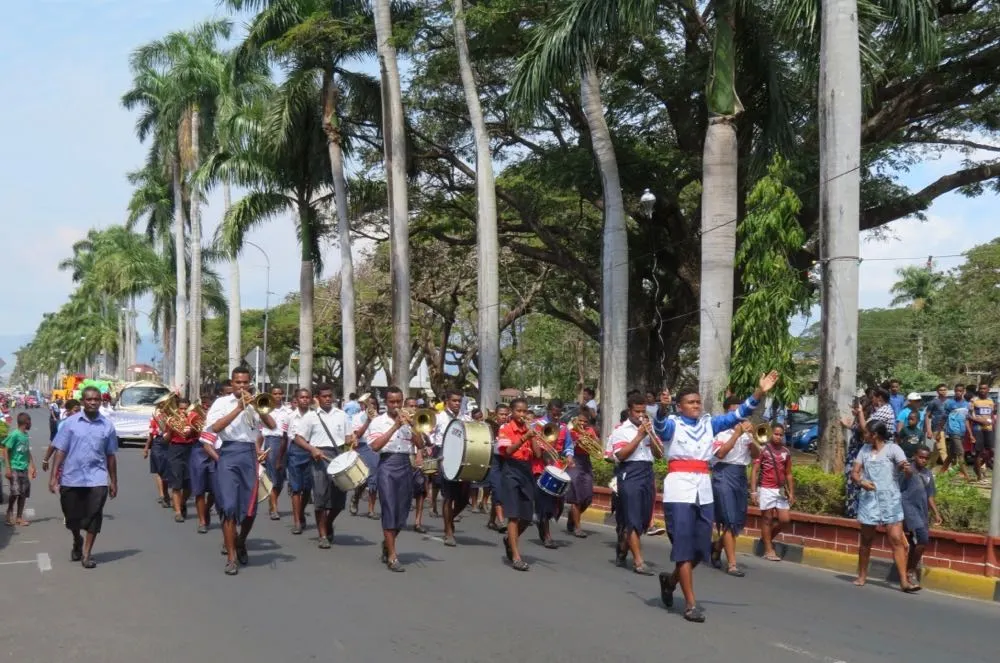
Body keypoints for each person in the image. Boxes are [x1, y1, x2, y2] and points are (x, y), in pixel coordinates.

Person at [656, 371, 779, 623]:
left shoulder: (709, 424)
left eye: (698, 402)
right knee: (683, 548)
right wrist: (661, 408)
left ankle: (669, 582)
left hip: (703, 489)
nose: (696, 406)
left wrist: (759, 392)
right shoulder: (672, 424)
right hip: (679, 489)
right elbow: (659, 425)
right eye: (690, 403)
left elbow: (739, 413)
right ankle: (690, 605)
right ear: (679, 407)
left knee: (700, 550)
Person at [202, 367, 276, 575]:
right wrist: (238, 408)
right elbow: (214, 428)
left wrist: (257, 407)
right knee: (228, 506)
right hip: (228, 454)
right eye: (237, 382)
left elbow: (272, 425)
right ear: (232, 383)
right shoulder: (221, 403)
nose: (241, 386)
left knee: (250, 508)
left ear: (250, 383)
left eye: (245, 383)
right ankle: (231, 557)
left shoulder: (255, 402)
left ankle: (241, 540)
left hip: (249, 455)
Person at [48, 386, 118, 569]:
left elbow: (111, 455)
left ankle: (87, 554)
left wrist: (114, 481)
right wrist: (53, 477)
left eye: (97, 399)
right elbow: (60, 450)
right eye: (89, 399)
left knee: (94, 516)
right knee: (72, 517)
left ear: (101, 401)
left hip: (97, 478)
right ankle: (76, 539)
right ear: (83, 402)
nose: (93, 402)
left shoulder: (107, 425)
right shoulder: (70, 423)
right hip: (72, 477)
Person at [851, 419, 919, 592]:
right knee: (866, 540)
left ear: (875, 435)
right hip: (869, 499)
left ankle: (904, 581)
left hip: (891, 500)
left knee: (896, 539)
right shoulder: (864, 450)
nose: (864, 435)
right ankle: (862, 575)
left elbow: (908, 471)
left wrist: (906, 468)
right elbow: (855, 473)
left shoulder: (893, 449)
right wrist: (861, 482)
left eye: (866, 433)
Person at [368, 386, 422, 572]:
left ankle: (388, 542)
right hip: (387, 466)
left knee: (403, 512)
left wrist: (413, 426)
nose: (396, 405)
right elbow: (375, 446)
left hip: (405, 465)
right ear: (386, 402)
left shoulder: (409, 420)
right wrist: (395, 426)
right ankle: (392, 556)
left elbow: (421, 444)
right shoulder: (377, 422)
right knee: (389, 508)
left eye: (399, 401)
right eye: (392, 402)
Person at [608, 393, 663, 574]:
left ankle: (623, 548)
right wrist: (639, 436)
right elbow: (621, 455)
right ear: (630, 411)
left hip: (647, 472)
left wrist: (651, 435)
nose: (640, 415)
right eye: (637, 412)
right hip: (629, 473)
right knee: (632, 518)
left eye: (643, 412)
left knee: (642, 520)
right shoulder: (621, 431)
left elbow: (659, 454)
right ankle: (639, 562)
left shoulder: (649, 427)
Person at [293, 383, 348, 549]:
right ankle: (322, 534)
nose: (328, 399)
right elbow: (298, 438)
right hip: (319, 458)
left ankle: (329, 522)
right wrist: (312, 449)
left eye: (330, 396)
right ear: (317, 398)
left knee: (339, 500)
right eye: (324, 396)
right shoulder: (311, 416)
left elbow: (349, 435)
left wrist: (353, 440)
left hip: (338, 455)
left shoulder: (341, 415)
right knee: (320, 498)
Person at [710, 397, 760, 576]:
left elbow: (756, 455)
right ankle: (732, 564)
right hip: (723, 474)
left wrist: (752, 437)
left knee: (738, 522)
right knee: (729, 521)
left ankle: (716, 547)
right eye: (734, 412)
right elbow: (721, 453)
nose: (739, 416)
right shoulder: (718, 431)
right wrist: (736, 434)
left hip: (740, 475)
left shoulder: (746, 433)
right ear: (727, 412)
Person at [497, 398, 536, 571]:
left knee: (527, 517)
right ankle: (516, 556)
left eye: (525, 411)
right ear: (512, 412)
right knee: (513, 515)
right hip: (511, 470)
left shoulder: (529, 428)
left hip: (526, 471)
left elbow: (538, 453)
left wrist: (533, 435)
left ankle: (509, 540)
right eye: (519, 411)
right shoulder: (505, 429)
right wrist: (523, 438)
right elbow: (507, 452)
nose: (522, 414)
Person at [750, 424, 794, 562]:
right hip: (766, 488)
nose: (778, 437)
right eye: (776, 434)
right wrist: (753, 491)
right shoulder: (763, 450)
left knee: (784, 520)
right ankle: (769, 550)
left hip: (780, 490)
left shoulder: (786, 452)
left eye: (781, 434)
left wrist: (791, 492)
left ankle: (765, 539)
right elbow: (755, 470)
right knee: (767, 519)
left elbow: (788, 474)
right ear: (770, 434)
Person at [432, 390, 471, 547]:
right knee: (448, 496)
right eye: (454, 400)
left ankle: (450, 519)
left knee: (463, 499)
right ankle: (448, 531)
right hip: (445, 456)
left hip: (463, 456)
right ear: (447, 401)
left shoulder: (465, 418)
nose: (456, 403)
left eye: (459, 401)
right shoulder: (439, 418)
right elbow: (429, 435)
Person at [900, 447, 942, 589]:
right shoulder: (908, 469)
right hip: (909, 509)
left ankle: (906, 571)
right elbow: (900, 483)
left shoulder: (928, 474)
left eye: (925, 458)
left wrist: (936, 513)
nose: (923, 460)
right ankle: (911, 571)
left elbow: (930, 495)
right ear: (915, 456)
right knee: (923, 539)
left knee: (914, 543)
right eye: (920, 457)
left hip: (922, 511)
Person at [533, 399, 569, 548]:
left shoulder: (564, 427)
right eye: (554, 414)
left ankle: (540, 518)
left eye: (558, 415)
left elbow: (568, 446)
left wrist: (570, 456)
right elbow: (534, 449)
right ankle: (546, 535)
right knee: (545, 504)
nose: (556, 417)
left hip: (557, 467)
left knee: (559, 504)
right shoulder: (537, 425)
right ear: (548, 411)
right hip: (540, 468)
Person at [283, 388, 314, 535]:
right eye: (302, 397)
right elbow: (285, 437)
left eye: (307, 397)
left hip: (311, 451)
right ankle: (296, 521)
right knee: (296, 488)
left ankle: (301, 512)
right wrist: (281, 458)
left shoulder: (315, 415)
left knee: (307, 488)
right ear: (296, 399)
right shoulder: (290, 416)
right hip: (295, 451)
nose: (304, 400)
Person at [564, 406, 598, 538]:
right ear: (576, 420)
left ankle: (572, 517)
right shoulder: (570, 431)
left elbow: (596, 447)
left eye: (585, 422)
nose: (583, 424)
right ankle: (577, 528)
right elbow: (565, 447)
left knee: (588, 497)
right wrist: (575, 442)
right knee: (577, 498)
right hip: (574, 461)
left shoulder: (590, 430)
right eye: (580, 421)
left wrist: (591, 440)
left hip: (586, 462)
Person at [260, 386, 290, 521]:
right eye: (275, 394)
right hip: (271, 441)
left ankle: (272, 502)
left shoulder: (287, 411)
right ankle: (274, 508)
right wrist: (258, 449)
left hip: (284, 443)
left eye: (280, 393)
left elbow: (286, 433)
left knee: (281, 479)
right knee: (272, 476)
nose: (277, 396)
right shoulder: (265, 410)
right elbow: (260, 433)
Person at [189, 391, 217, 533]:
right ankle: (202, 521)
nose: (206, 408)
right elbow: (188, 433)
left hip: (215, 450)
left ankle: (206, 508)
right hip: (199, 451)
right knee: (199, 489)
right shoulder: (195, 415)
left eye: (209, 406)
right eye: (204, 405)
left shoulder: (219, 414)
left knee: (214, 490)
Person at [164, 397, 195, 523]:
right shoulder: (172, 420)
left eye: (185, 408)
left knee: (190, 484)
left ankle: (182, 502)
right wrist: (171, 431)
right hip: (175, 450)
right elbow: (165, 440)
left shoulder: (194, 419)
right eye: (180, 409)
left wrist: (192, 429)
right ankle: (178, 512)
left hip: (190, 450)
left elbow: (200, 435)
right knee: (176, 483)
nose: (183, 411)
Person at [349, 394, 380, 519]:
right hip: (363, 446)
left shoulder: (381, 418)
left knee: (374, 478)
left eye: (373, 403)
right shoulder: (357, 417)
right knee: (363, 478)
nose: (370, 405)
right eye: (368, 403)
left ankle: (371, 510)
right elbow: (357, 435)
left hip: (376, 447)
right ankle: (356, 496)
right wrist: (368, 420)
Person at [3, 413, 36, 527]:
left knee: (23, 494)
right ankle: (9, 512)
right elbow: (5, 450)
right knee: (15, 492)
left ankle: (19, 518)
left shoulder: (25, 435)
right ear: (26, 422)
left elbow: (27, 451)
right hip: (14, 467)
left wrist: (32, 465)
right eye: (30, 421)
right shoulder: (15, 435)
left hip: (24, 468)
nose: (31, 424)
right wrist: (8, 468)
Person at [403, 396, 430, 534]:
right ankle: (399, 517)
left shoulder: (421, 423)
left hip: (418, 460)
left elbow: (427, 440)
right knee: (403, 492)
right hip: (405, 458)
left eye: (415, 406)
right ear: (405, 407)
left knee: (420, 492)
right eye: (410, 406)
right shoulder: (401, 422)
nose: (413, 409)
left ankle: (418, 522)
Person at [486, 404, 510, 531]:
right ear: (496, 415)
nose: (504, 417)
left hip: (507, 461)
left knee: (501, 491)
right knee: (497, 489)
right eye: (501, 414)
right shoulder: (490, 427)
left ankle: (491, 520)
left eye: (506, 414)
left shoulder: (510, 427)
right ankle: (501, 521)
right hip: (494, 461)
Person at [142, 401, 171, 508]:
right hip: (158, 443)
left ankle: (166, 492)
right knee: (159, 470)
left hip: (170, 443)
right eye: (162, 406)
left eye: (166, 406)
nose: (164, 409)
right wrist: (146, 448)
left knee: (168, 470)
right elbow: (151, 435)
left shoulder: (173, 418)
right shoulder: (155, 418)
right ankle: (162, 495)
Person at [968, 383, 996, 483]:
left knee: (991, 451)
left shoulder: (991, 401)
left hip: (989, 428)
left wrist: (993, 423)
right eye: (980, 388)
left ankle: (978, 466)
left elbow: (992, 415)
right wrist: (980, 421)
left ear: (988, 390)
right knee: (978, 452)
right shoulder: (974, 400)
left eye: (984, 388)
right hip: (977, 428)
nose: (982, 390)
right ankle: (979, 476)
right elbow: (969, 416)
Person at [942, 384, 970, 479]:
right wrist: (939, 431)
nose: (958, 392)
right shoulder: (949, 403)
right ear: (954, 391)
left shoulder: (967, 404)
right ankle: (966, 475)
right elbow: (944, 417)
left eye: (960, 391)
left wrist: (970, 433)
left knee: (952, 454)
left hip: (962, 431)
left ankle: (941, 472)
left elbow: (967, 419)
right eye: (956, 391)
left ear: (963, 391)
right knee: (961, 452)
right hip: (953, 430)